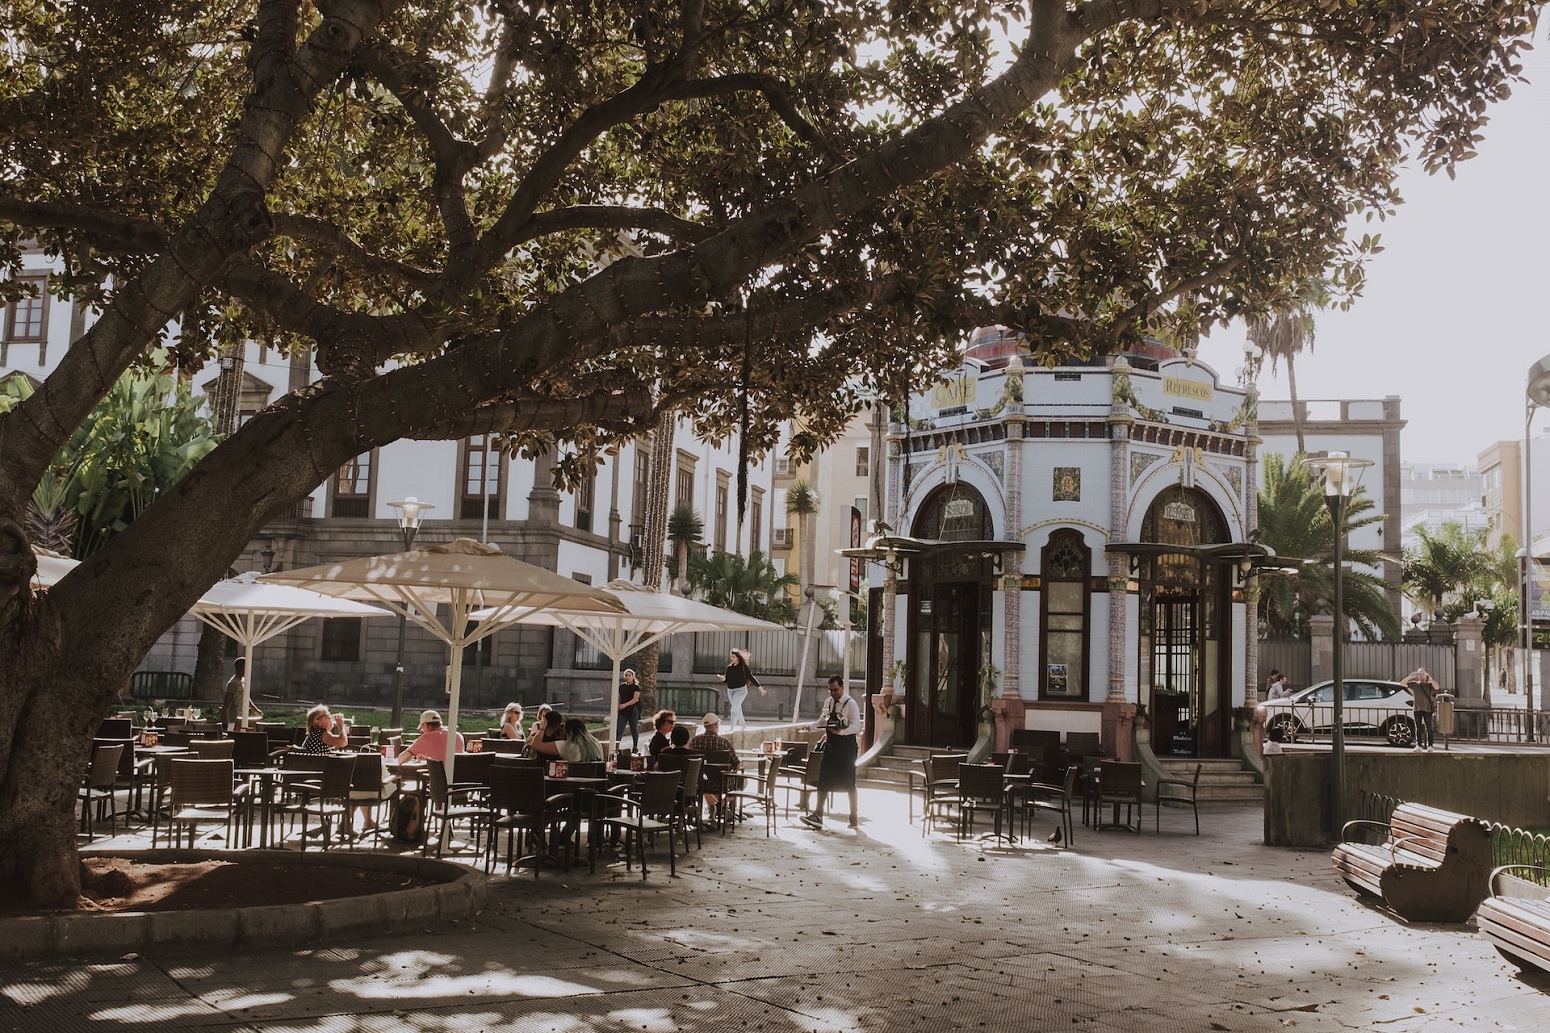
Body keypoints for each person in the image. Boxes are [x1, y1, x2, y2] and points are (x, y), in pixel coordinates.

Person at [802, 675, 862, 830]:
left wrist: (841, 732)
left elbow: (857, 726)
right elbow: (823, 720)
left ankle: (853, 815)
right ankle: (818, 814)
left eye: (835, 690)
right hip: (831, 746)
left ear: (842, 687)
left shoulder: (851, 704)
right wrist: (812, 726)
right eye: (830, 690)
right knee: (824, 778)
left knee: (849, 782)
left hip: (846, 748)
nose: (833, 693)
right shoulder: (828, 702)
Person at [688, 713, 741, 819]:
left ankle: (714, 806)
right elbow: (737, 764)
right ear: (716, 725)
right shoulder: (724, 742)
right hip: (722, 782)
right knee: (742, 782)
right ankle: (719, 805)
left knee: (706, 785)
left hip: (701, 783)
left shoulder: (694, 741)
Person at [719, 648, 764, 731]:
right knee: (737, 708)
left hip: (741, 690)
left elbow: (751, 677)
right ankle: (743, 725)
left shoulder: (743, 667)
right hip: (730, 691)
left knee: (734, 708)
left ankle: (732, 728)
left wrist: (760, 688)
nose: (731, 659)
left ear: (738, 658)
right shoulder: (729, 668)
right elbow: (727, 680)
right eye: (731, 657)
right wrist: (723, 679)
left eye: (733, 657)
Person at [220, 657, 263, 732]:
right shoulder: (233, 683)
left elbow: (246, 697)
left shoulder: (243, 681)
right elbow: (226, 702)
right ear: (242, 668)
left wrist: (255, 710)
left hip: (243, 716)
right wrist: (223, 720)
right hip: (233, 718)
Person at [1402, 667, 1439, 751]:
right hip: (1417, 709)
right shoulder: (1415, 684)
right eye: (1420, 674)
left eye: (1423, 674)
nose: (1421, 676)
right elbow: (1402, 684)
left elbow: (1437, 687)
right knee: (1418, 727)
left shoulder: (1429, 685)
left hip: (1427, 709)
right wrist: (1410, 677)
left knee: (1429, 727)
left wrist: (1430, 678)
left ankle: (1430, 745)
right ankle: (1418, 745)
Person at [616, 669, 643, 752]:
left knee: (633, 728)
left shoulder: (636, 687)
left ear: (633, 677)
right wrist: (618, 705)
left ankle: (635, 746)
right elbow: (619, 698)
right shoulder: (621, 687)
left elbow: (635, 699)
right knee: (619, 729)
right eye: (626, 675)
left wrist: (625, 705)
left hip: (633, 709)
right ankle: (616, 748)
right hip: (623, 711)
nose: (627, 677)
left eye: (629, 675)